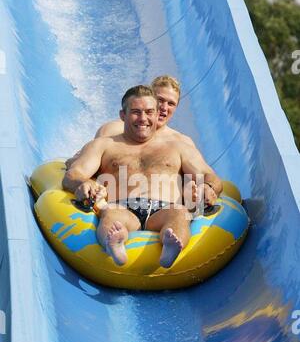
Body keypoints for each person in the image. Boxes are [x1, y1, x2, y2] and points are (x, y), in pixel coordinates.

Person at [63, 85, 223, 268]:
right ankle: (115, 241)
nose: (143, 119)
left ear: (156, 115)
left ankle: (170, 246)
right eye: (136, 112)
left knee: (179, 214)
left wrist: (208, 188)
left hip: (165, 209)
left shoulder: (177, 147)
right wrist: (82, 183)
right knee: (111, 214)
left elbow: (209, 176)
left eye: (149, 112)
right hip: (122, 206)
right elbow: (73, 174)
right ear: (123, 115)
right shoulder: (104, 145)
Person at [65, 75, 195, 169]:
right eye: (160, 100)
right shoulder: (113, 130)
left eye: (171, 103)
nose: (164, 108)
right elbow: (86, 164)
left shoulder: (182, 142)